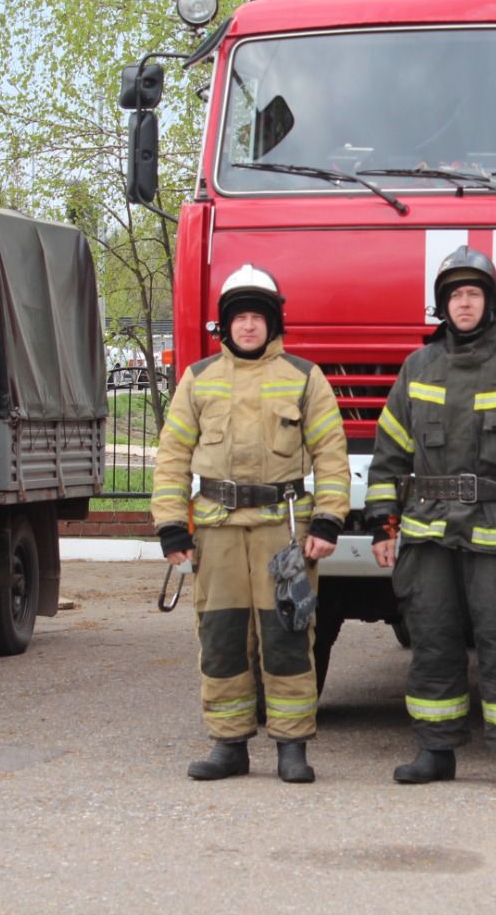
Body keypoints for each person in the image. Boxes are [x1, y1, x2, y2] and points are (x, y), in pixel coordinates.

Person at [365, 246, 496, 791]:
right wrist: (382, 521)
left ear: (490, 302)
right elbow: (390, 450)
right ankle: (435, 751)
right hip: (428, 529)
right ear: (443, 305)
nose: (464, 304)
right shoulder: (419, 366)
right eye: (456, 295)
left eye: (473, 294)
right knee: (432, 639)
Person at [151, 264, 350, 783]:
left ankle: (292, 746)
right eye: (238, 317)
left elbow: (331, 452)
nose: (247, 326)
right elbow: (172, 456)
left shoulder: (304, 378)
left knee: (287, 635)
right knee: (221, 637)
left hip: (281, 532)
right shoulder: (198, 380)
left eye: (256, 317)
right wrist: (172, 525)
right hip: (216, 531)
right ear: (225, 325)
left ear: (273, 323)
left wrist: (328, 520)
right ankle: (228, 743)